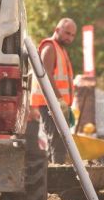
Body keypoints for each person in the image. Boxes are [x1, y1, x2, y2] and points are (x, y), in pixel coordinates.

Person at [30, 18, 76, 164]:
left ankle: (52, 175)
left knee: (57, 141)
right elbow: (46, 75)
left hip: (57, 103)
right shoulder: (50, 47)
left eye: (72, 35)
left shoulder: (59, 48)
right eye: (67, 33)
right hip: (50, 102)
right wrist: (60, 101)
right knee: (57, 141)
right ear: (57, 30)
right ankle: (56, 175)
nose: (69, 38)